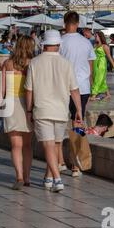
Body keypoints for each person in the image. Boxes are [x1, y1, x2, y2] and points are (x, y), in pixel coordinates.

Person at [25, 30, 83, 193]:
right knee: (55, 145)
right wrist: (79, 110)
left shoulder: (34, 63)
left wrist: (28, 111)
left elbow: (29, 90)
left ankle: (56, 179)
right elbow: (75, 90)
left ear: (44, 44)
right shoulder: (66, 63)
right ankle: (49, 178)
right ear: (58, 45)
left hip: (42, 110)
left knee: (49, 146)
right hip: (61, 110)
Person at [60, 11, 96, 178]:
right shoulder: (86, 43)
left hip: (62, 86)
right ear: (78, 22)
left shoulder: (59, 42)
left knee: (59, 123)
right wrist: (91, 87)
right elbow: (90, 69)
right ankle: (75, 165)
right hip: (82, 87)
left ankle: (60, 161)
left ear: (65, 22)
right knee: (78, 123)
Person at [1, 36, 34, 190]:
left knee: (15, 145)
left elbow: (0, 90)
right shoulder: (32, 64)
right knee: (27, 145)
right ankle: (27, 178)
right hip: (27, 103)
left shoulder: (7, 64)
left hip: (10, 104)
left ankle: (19, 176)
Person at [90, 31, 114, 101]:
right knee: (101, 79)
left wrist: (113, 65)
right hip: (95, 63)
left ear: (100, 37)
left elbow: (109, 56)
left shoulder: (105, 46)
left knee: (98, 79)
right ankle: (108, 94)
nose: (95, 37)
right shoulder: (95, 45)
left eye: (96, 36)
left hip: (101, 64)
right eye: (95, 36)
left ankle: (94, 94)